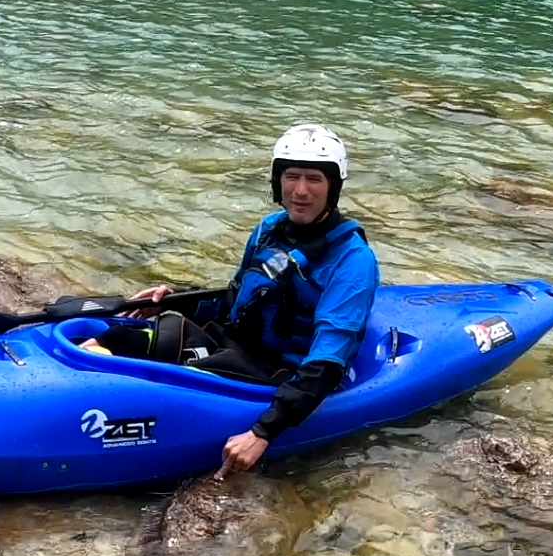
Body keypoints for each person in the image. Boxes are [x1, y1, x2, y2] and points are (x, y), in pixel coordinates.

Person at [119, 124, 381, 477]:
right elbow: (236, 302)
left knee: (175, 380)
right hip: (235, 346)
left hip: (281, 373)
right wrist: (173, 300)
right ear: (278, 181)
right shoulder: (270, 229)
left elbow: (326, 363)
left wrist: (262, 433)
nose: (300, 191)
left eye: (314, 179)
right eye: (292, 177)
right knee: (132, 336)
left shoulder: (353, 260)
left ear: (333, 186)